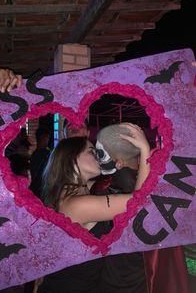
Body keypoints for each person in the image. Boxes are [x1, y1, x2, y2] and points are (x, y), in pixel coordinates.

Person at [39, 122, 150, 293]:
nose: (99, 156)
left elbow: (114, 180)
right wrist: (144, 150)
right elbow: (139, 203)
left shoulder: (75, 190)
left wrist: (119, 163)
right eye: (92, 152)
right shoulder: (77, 205)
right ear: (71, 159)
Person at [94, 124, 189, 293]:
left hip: (116, 275)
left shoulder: (102, 185)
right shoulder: (127, 185)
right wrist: (145, 150)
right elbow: (138, 212)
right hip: (135, 278)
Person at [29, 127, 51, 198]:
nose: (48, 140)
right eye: (47, 137)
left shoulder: (35, 154)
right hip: (41, 190)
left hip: (35, 190)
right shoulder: (45, 154)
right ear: (43, 138)